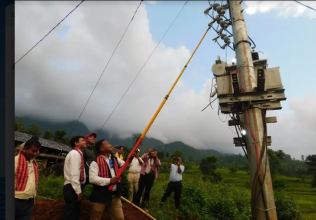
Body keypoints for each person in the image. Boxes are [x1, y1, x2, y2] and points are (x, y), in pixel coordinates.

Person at [89, 139, 125, 220]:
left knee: (119, 218)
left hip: (115, 197)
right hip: (100, 196)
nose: (110, 145)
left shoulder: (114, 158)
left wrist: (130, 159)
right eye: (108, 144)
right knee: (96, 217)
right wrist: (109, 181)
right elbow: (92, 179)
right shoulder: (95, 162)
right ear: (102, 149)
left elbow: (125, 165)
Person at [15, 136, 41, 220]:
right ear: (25, 149)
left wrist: (34, 195)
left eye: (36, 152)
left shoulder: (33, 163)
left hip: (29, 202)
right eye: (33, 151)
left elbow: (33, 181)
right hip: (16, 201)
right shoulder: (15, 161)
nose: (35, 154)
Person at [62, 136, 87, 220]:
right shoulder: (75, 154)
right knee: (71, 213)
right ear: (76, 143)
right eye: (82, 140)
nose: (85, 142)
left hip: (73, 186)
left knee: (74, 212)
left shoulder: (78, 153)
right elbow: (74, 173)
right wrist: (78, 191)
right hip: (72, 187)